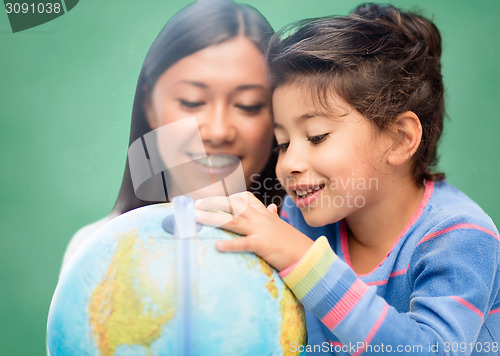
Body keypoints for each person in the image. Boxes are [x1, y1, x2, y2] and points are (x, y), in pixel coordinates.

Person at [195, 3, 500, 355]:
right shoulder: (301, 220)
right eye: (282, 143)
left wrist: (302, 259)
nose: (288, 163)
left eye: (317, 136)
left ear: (400, 139)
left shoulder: (459, 236)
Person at [61, 0, 283, 271]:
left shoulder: (308, 249)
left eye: (248, 105)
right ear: (148, 106)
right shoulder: (98, 250)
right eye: (191, 101)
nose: (218, 131)